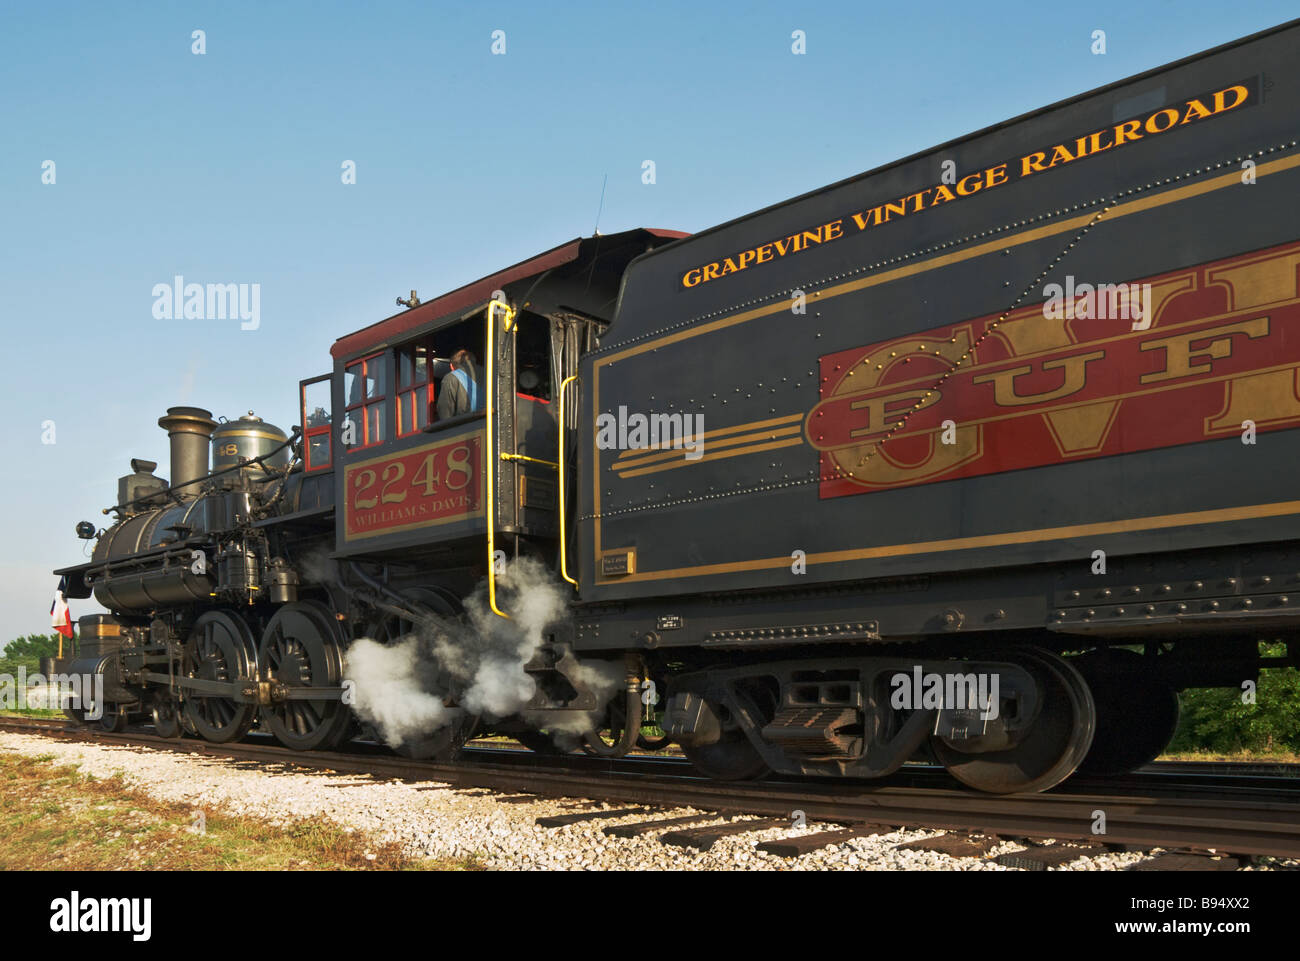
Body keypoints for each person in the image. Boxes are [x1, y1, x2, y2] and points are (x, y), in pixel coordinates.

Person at [437, 349, 483, 420]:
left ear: (451, 366)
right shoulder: (490, 372)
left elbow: (445, 412)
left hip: (467, 426)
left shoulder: (451, 378)